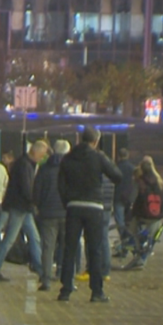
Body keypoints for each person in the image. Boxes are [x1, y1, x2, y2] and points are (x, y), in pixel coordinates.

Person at [57, 127, 121, 302]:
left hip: (73, 207)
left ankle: (66, 289)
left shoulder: (67, 158)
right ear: (96, 141)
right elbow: (117, 176)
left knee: (69, 248)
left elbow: (60, 184)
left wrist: (67, 202)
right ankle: (96, 291)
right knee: (95, 249)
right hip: (94, 207)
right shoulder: (98, 157)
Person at [0, 141, 49, 286]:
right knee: (10, 240)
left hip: (22, 208)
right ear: (35, 152)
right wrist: (35, 202)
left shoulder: (23, 163)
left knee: (35, 238)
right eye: (42, 155)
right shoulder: (25, 165)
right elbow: (26, 189)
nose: (42, 158)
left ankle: (41, 270)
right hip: (19, 207)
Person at [33, 140, 69, 287]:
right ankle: (66, 278)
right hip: (67, 213)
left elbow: (36, 192)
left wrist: (41, 207)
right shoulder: (71, 169)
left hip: (47, 214)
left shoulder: (44, 169)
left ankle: (46, 279)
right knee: (67, 247)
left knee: (48, 247)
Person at [124, 156, 163, 269]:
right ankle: (143, 258)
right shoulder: (160, 182)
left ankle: (136, 253)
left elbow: (132, 198)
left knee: (133, 232)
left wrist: (130, 209)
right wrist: (161, 212)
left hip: (141, 214)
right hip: (155, 216)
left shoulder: (139, 181)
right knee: (151, 239)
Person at [112, 148, 136, 256]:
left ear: (118, 156)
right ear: (128, 155)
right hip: (129, 199)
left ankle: (125, 247)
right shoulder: (133, 168)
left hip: (118, 198)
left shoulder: (116, 167)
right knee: (128, 224)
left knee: (120, 224)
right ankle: (129, 245)